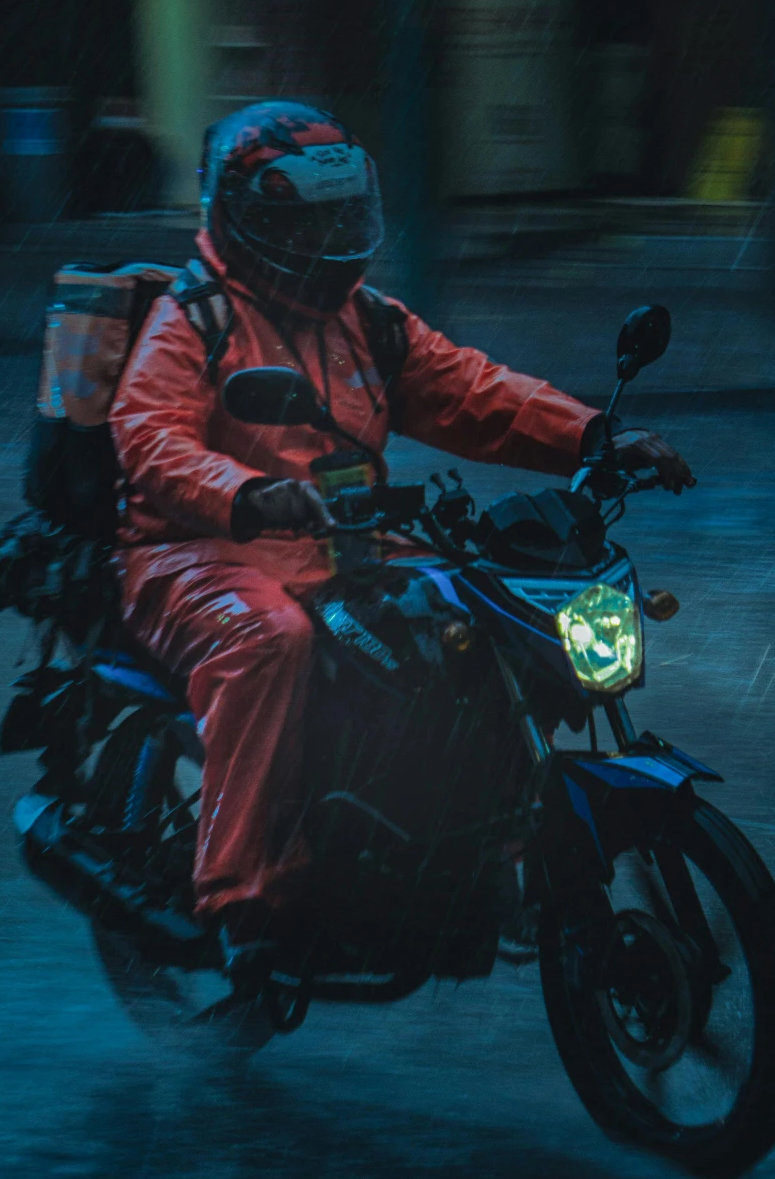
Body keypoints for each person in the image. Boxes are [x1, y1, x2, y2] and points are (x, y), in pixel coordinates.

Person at [109, 99, 693, 988]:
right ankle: (241, 899)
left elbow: (470, 390)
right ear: (252, 221)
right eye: (308, 219)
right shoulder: (193, 320)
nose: (331, 234)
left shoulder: (365, 320)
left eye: (342, 215)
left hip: (345, 539)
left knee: (477, 618)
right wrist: (251, 495)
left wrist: (591, 438)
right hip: (196, 552)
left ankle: (459, 848)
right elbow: (148, 438)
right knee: (272, 642)